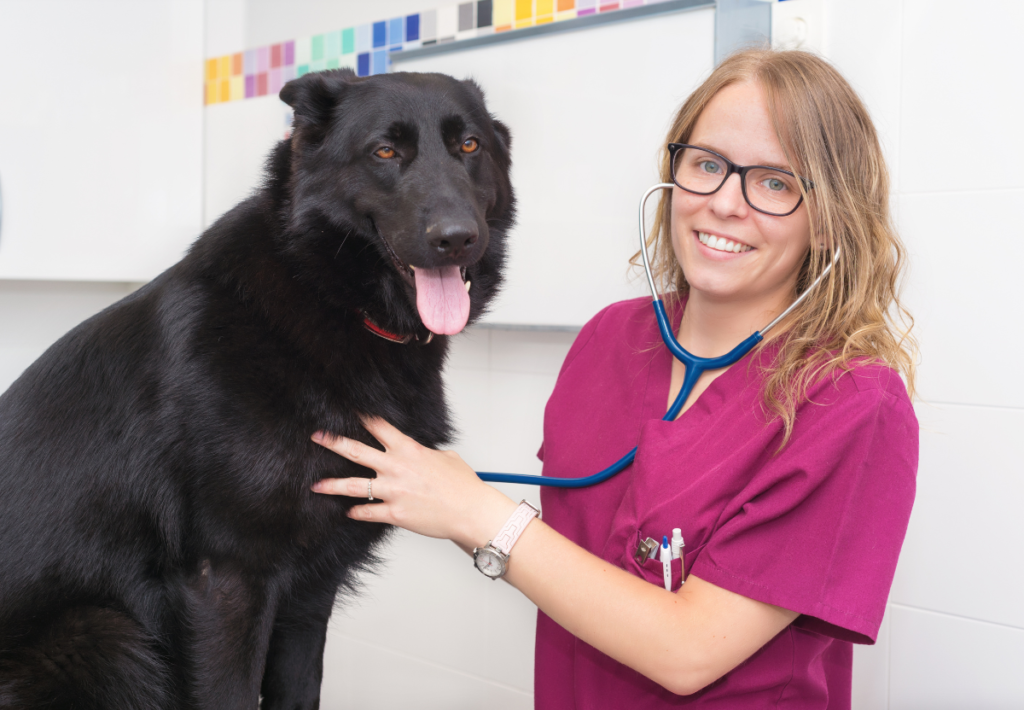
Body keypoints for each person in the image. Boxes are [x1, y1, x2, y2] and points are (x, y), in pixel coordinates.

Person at [310, 48, 919, 709]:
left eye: (774, 182)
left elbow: (688, 651)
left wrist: (477, 511)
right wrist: (441, 500)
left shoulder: (850, 400)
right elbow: (568, 569)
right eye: (707, 165)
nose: (724, 203)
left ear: (830, 216)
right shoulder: (611, 340)